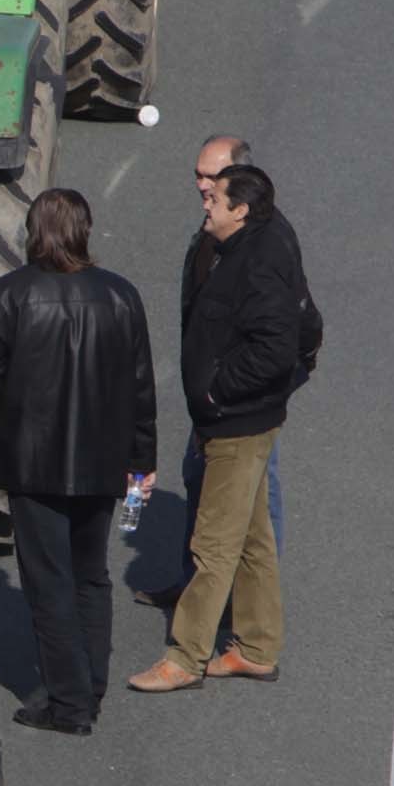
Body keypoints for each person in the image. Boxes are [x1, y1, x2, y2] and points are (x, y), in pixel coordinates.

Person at [0, 188, 156, 734]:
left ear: (32, 230)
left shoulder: (9, 294)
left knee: (48, 582)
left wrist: (9, 418)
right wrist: (141, 459)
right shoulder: (120, 295)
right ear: (84, 229)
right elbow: (140, 386)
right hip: (103, 463)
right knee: (91, 576)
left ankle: (69, 704)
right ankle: (89, 684)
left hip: (34, 463)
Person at [130, 165, 304, 691]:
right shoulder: (258, 245)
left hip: (235, 425)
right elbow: (305, 326)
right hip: (245, 418)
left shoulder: (254, 264)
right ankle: (255, 647)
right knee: (252, 539)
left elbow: (279, 345)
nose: (206, 203)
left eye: (217, 198)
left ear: (241, 210)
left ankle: (185, 658)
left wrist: (217, 391)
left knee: (213, 546)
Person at [137, 133, 290, 603]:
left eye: (214, 177)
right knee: (198, 475)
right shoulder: (218, 229)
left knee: (256, 500)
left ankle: (218, 611)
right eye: (199, 175)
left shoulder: (263, 245)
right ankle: (196, 583)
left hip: (235, 402)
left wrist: (219, 389)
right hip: (213, 397)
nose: (203, 186)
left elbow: (287, 336)